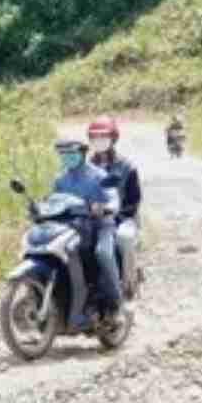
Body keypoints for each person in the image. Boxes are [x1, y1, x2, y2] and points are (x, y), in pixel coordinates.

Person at [52, 128, 123, 321]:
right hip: (72, 228)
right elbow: (54, 201)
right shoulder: (60, 180)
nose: (67, 157)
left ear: (82, 153)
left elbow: (113, 200)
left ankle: (116, 304)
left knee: (103, 253)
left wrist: (104, 207)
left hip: (101, 226)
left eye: (71, 153)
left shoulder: (99, 175)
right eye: (63, 154)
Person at [86, 116, 142, 298]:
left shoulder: (127, 166)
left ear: (113, 138)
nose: (99, 141)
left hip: (122, 217)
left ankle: (128, 285)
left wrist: (117, 214)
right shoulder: (85, 166)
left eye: (103, 136)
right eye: (94, 137)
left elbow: (134, 200)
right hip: (91, 218)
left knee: (124, 238)